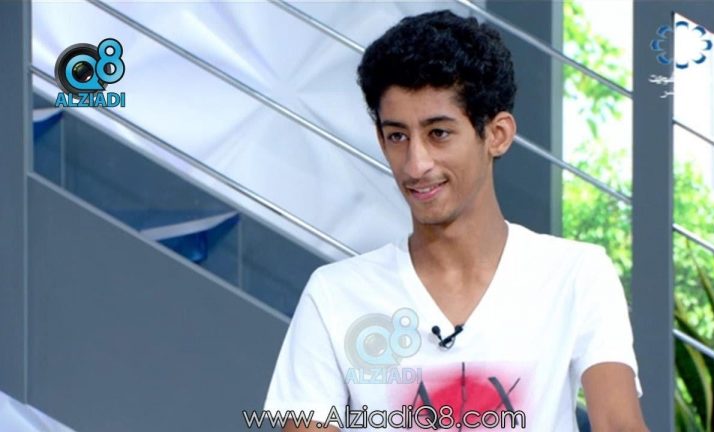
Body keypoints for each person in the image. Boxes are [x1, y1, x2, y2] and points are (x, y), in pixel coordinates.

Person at [264, 9, 648, 432]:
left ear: (497, 135)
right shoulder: (334, 295)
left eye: (439, 133)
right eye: (397, 136)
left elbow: (619, 424)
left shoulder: (576, 275)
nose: (416, 164)